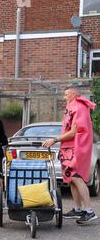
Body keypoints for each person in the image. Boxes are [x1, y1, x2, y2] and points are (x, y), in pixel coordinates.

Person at [43, 86, 97, 224]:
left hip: (76, 148)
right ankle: (78, 209)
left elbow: (74, 132)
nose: (64, 97)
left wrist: (54, 139)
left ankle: (89, 211)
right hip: (69, 148)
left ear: (73, 94)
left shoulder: (78, 108)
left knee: (77, 178)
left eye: (66, 94)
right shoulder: (73, 107)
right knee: (71, 179)